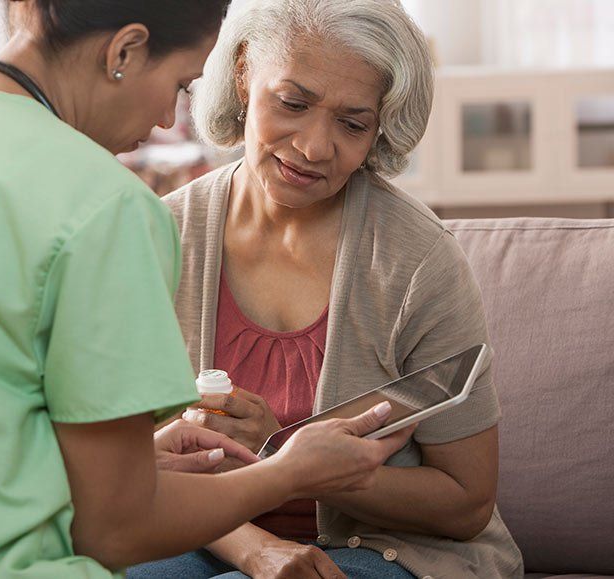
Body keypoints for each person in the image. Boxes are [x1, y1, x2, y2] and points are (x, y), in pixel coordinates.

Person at [0, 1, 416, 578]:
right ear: (124, 50)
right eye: (182, 84)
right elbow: (118, 529)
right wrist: (288, 473)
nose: (163, 119)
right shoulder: (106, 204)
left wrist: (116, 461)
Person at [129, 0, 526, 578]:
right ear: (243, 75)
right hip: (207, 533)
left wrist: (292, 458)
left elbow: (466, 502)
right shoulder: (159, 236)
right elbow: (128, 469)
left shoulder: (418, 261)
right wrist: (254, 549)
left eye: (353, 122)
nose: (315, 147)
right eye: (293, 103)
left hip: (387, 548)